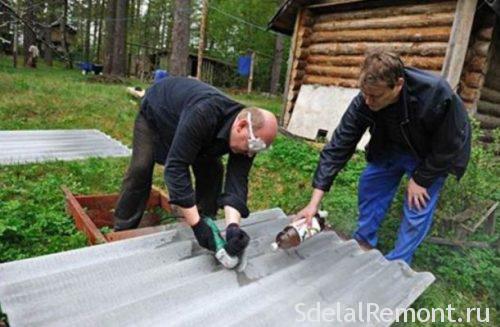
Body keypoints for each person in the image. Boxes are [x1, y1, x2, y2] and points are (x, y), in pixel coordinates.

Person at [296, 50, 471, 264]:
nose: (368, 101)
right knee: (370, 186)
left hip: (431, 155)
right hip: (390, 147)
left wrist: (422, 179)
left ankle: (398, 263)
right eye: (364, 94)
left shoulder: (434, 94)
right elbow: (338, 146)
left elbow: (451, 143)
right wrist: (314, 203)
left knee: (417, 204)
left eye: (375, 96)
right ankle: (364, 243)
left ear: (398, 84)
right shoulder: (365, 100)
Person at [114, 76, 278, 263]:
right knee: (140, 168)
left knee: (213, 170)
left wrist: (233, 228)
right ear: (241, 126)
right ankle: (122, 230)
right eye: (253, 146)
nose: (251, 153)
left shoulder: (249, 139)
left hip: (194, 129)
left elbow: (236, 182)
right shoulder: (204, 113)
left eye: (258, 149)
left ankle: (207, 221)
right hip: (157, 114)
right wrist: (197, 225)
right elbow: (175, 168)